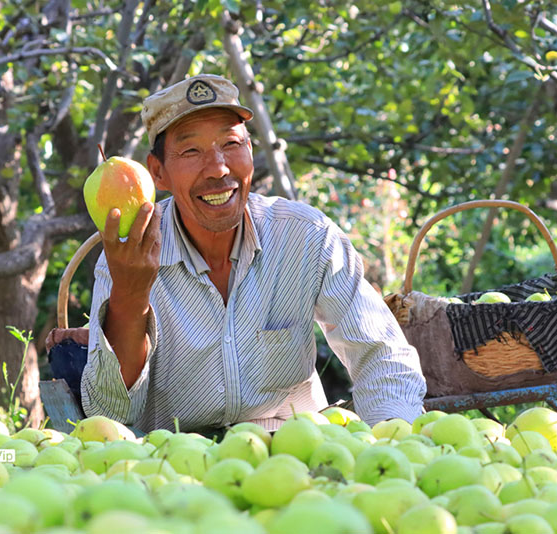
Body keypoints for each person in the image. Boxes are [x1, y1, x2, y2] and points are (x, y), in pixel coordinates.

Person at [49, 74, 426, 432]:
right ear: (157, 172)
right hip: (173, 470)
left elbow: (381, 355)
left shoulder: (305, 236)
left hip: (297, 460)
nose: (217, 168)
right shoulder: (128, 258)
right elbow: (110, 414)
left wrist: (394, 441)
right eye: (191, 150)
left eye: (231, 144)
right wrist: (130, 298)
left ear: (250, 149)